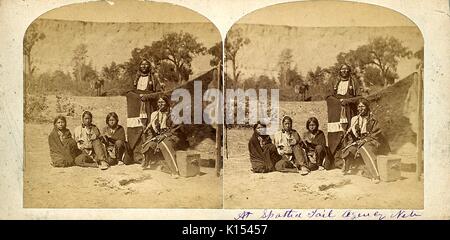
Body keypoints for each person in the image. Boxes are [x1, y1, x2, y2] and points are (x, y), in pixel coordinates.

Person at [341, 98, 390, 182]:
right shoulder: (354, 119)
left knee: (364, 148)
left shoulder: (372, 119)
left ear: (366, 107)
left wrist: (365, 140)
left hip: (373, 141)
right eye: (359, 106)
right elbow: (354, 136)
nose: (361, 109)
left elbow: (376, 133)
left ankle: (375, 175)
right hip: (360, 141)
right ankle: (349, 168)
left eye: (363, 106)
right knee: (349, 149)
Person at [126, 59, 164, 164]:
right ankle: (137, 156)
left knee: (149, 129)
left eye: (146, 64)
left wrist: (147, 96)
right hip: (135, 108)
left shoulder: (154, 78)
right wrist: (137, 97)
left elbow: (159, 93)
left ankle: (150, 157)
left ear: (149, 66)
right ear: (139, 66)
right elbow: (128, 91)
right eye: (142, 64)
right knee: (137, 129)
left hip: (149, 107)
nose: (144, 66)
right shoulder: (135, 78)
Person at [325, 64, 362, 168]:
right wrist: (338, 102)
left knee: (348, 133)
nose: (344, 71)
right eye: (342, 69)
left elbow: (359, 97)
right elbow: (328, 96)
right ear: (339, 71)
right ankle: (336, 160)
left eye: (346, 69)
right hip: (335, 112)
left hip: (349, 111)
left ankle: (349, 160)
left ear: (349, 71)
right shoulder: (334, 82)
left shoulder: (354, 82)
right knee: (336, 134)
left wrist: (347, 101)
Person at [141, 96, 181, 178]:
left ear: (167, 103)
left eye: (163, 102)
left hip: (172, 136)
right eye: (159, 102)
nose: (161, 104)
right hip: (159, 136)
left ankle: (175, 171)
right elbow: (152, 131)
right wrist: (150, 139)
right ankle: (155, 164)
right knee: (148, 145)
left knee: (164, 145)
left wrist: (165, 135)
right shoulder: (154, 114)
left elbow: (175, 129)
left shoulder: (173, 114)